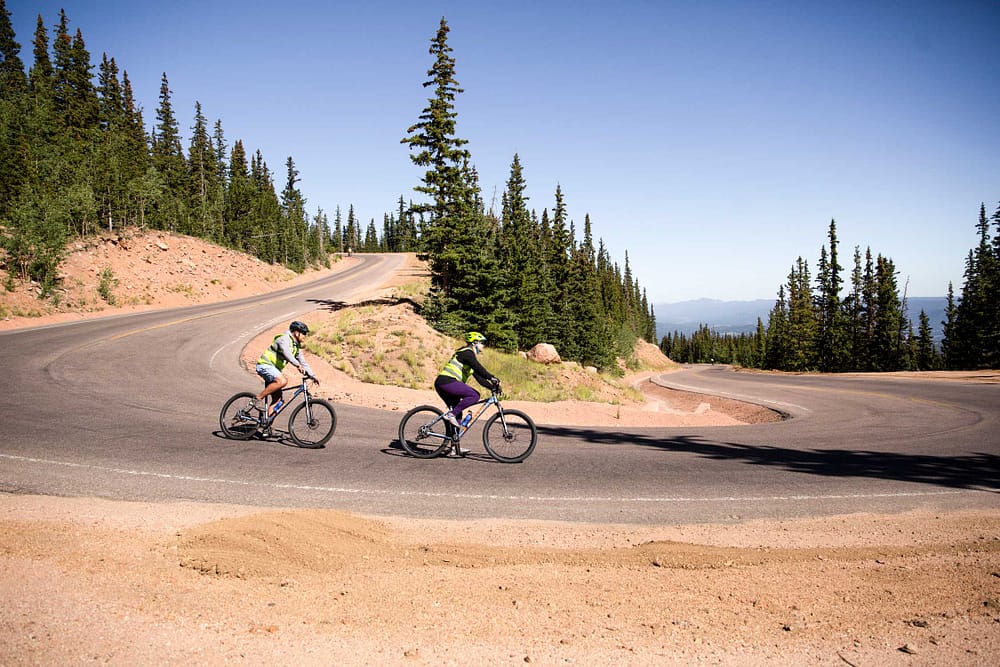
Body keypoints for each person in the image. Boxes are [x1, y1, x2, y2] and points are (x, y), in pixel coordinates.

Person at [435, 331, 501, 430]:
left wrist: (492, 387)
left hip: (444, 383)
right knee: (474, 395)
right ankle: (450, 415)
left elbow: (479, 378)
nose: (483, 346)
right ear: (475, 342)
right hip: (447, 381)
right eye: (482, 343)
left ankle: (454, 442)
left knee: (457, 414)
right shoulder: (467, 353)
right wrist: (492, 377)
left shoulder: (468, 357)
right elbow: (479, 368)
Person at [252, 320, 319, 417]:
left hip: (274, 370)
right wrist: (297, 365)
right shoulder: (284, 339)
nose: (305, 335)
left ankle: (265, 424)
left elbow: (303, 362)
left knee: (278, 401)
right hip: (265, 365)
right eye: (304, 333)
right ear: (296, 333)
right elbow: (287, 353)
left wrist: (312, 375)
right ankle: (257, 398)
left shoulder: (296, 346)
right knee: (282, 381)